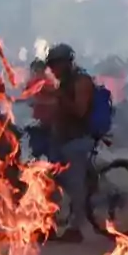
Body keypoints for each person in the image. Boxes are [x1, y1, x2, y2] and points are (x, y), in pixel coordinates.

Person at [44, 43, 96, 243]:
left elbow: (80, 111)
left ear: (66, 63)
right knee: (48, 183)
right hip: (59, 140)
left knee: (76, 188)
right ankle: (47, 225)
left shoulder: (81, 81)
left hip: (77, 141)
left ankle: (75, 229)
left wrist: (60, 97)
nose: (52, 70)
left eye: (55, 65)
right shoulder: (63, 82)